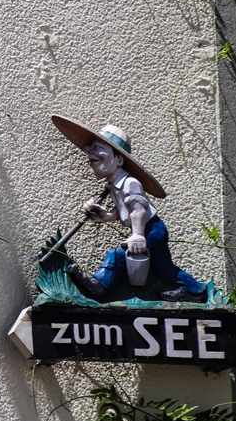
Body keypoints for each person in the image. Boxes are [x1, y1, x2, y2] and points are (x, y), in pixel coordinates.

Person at [51, 115, 206, 303]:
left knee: (117, 256)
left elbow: (138, 210)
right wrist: (106, 216)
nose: (91, 156)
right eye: (91, 150)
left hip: (152, 230)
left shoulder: (130, 183)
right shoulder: (115, 185)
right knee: (164, 269)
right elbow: (125, 211)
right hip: (151, 229)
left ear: (119, 160)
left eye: (98, 148)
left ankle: (100, 287)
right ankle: (195, 291)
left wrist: (138, 235)